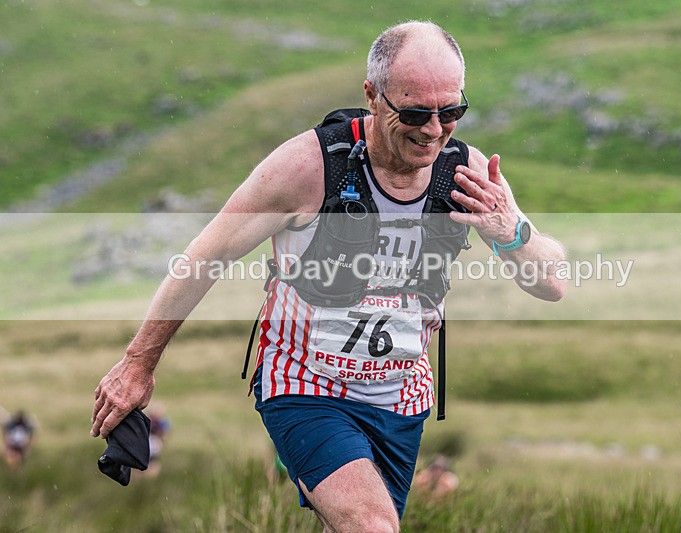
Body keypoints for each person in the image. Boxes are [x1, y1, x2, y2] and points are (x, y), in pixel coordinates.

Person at [91, 20, 566, 531]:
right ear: (372, 96)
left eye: (451, 111)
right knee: (372, 526)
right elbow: (204, 257)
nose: (433, 129)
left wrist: (512, 231)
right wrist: (137, 365)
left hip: (402, 400)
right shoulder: (307, 169)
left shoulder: (465, 172)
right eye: (414, 112)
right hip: (305, 387)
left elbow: (553, 283)